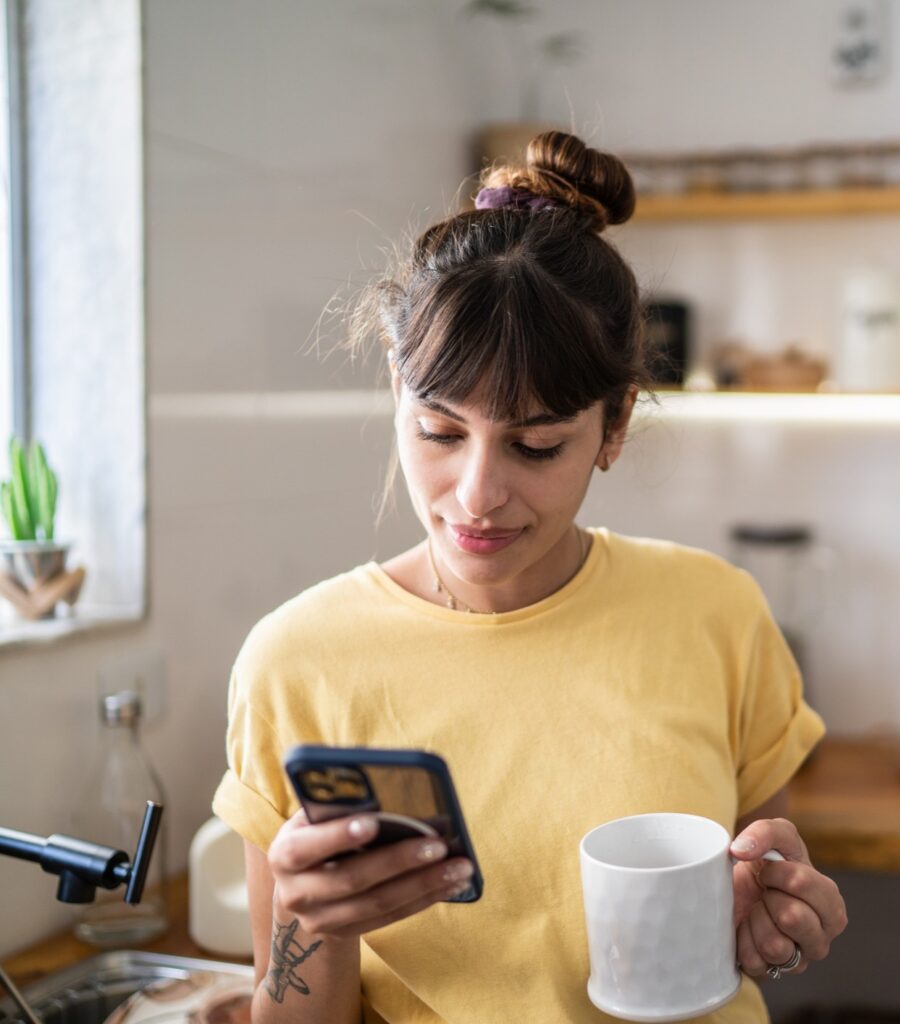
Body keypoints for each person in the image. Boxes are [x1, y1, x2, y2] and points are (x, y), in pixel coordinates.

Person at [212, 131, 847, 1024]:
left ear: (615, 423)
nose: (476, 495)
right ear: (397, 388)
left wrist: (776, 922)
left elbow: (758, 891)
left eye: (536, 444)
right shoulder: (296, 660)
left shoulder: (716, 612)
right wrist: (315, 929)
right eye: (439, 431)